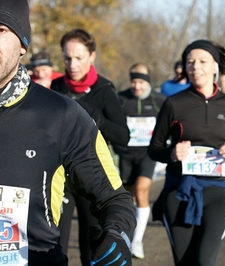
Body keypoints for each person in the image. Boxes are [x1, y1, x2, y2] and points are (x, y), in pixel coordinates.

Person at [0, 1, 136, 265]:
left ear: (23, 44)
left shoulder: (62, 114)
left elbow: (115, 199)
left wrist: (117, 234)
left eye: (0, 29)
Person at [148, 39, 225, 265]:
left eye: (203, 61)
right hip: (178, 190)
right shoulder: (174, 103)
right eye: (190, 62)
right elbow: (154, 150)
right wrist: (173, 153)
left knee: (205, 261)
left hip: (217, 192)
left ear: (215, 67)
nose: (196, 67)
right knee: (184, 262)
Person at [50, 28, 130, 265]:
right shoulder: (56, 88)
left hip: (91, 177)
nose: (72, 64)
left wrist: (98, 119)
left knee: (90, 251)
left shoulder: (105, 90)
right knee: (54, 245)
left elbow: (123, 136)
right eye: (67, 57)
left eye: (78, 58)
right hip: (60, 178)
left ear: (92, 56)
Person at [113, 63, 165, 259]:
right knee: (128, 197)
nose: (137, 86)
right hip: (126, 155)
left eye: (141, 82)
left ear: (148, 82)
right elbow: (114, 124)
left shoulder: (159, 101)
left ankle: (137, 241)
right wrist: (118, 147)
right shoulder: (122, 99)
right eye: (134, 81)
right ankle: (127, 235)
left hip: (148, 154)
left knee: (142, 190)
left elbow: (169, 122)